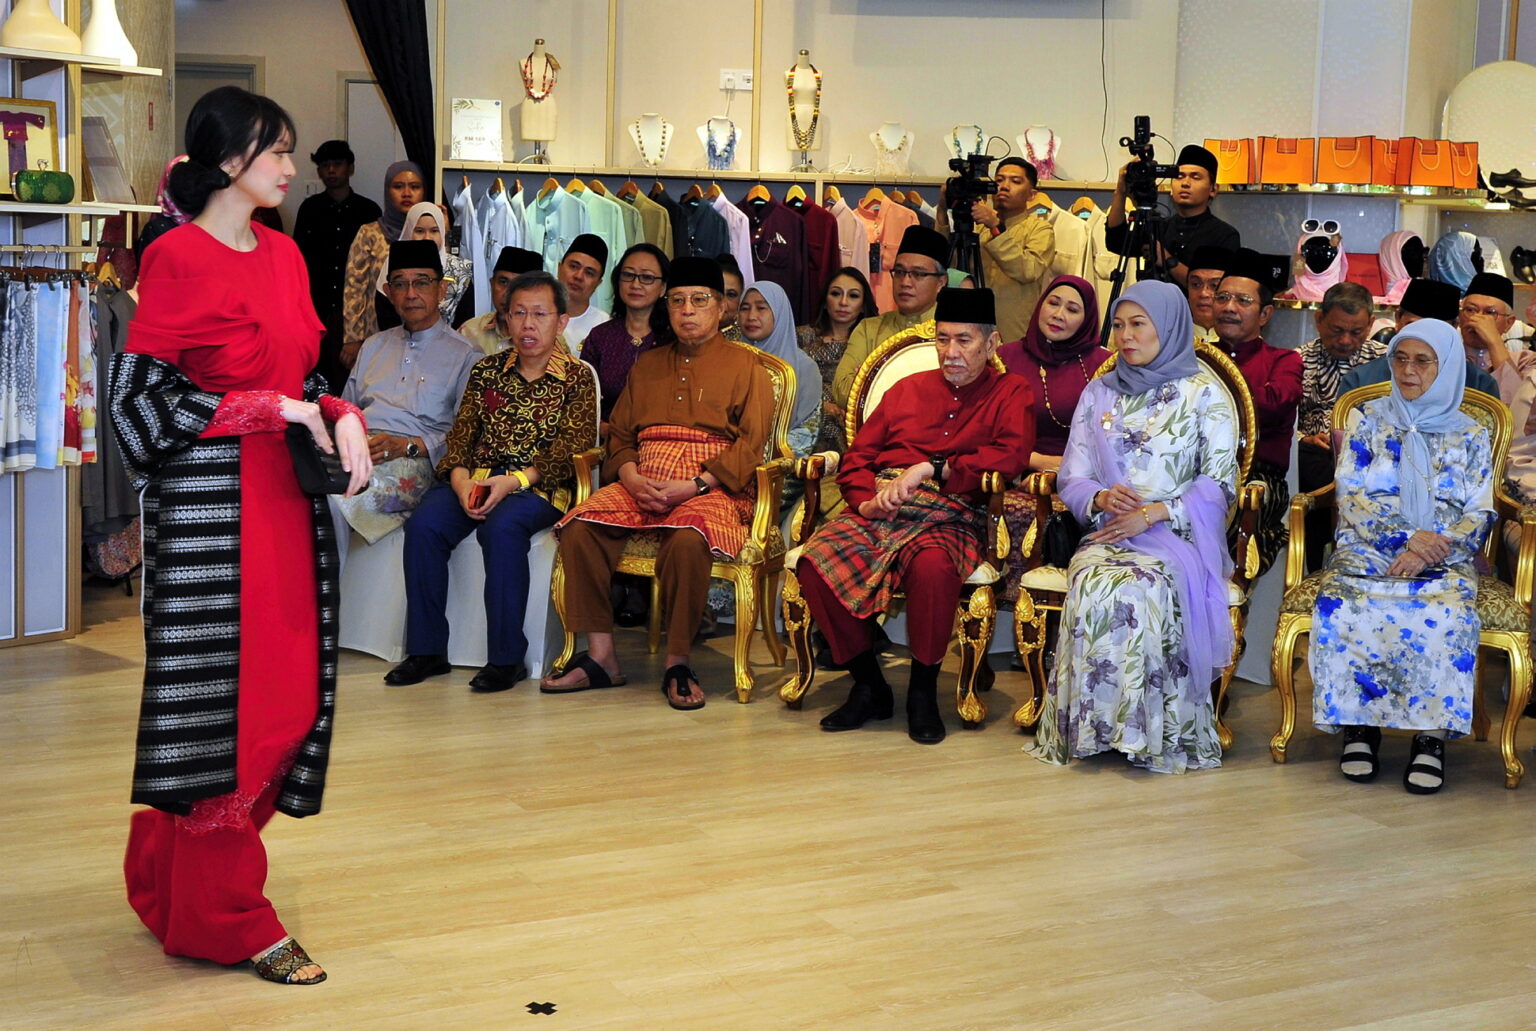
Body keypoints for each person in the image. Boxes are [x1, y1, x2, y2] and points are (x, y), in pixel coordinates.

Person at [109, 86, 371, 986]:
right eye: (279, 151)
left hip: (286, 502)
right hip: (210, 515)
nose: (294, 166)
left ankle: (167, 875)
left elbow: (306, 378)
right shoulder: (175, 256)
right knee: (227, 714)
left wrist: (340, 413)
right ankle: (229, 916)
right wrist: (270, 408)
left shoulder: (287, 254)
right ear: (230, 161)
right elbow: (139, 406)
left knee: (288, 701)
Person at [796, 288, 1034, 744]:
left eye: (964, 340)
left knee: (932, 568)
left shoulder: (1011, 392)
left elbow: (1010, 458)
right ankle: (869, 684)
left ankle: (922, 692)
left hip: (952, 512)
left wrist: (933, 468)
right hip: (883, 506)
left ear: (991, 343)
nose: (951, 352)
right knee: (815, 561)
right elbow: (858, 458)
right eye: (943, 339)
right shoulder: (906, 389)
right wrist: (866, 501)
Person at [541, 257, 774, 710]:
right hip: (644, 476)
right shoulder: (647, 365)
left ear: (721, 307)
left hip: (709, 483)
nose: (687, 310)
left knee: (687, 539)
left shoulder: (747, 366)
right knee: (581, 528)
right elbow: (621, 436)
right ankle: (602, 657)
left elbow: (752, 445)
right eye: (678, 301)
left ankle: (678, 662)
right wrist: (629, 475)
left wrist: (696, 485)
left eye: (699, 300)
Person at [1028, 280, 1238, 773]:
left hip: (1179, 535)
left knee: (1140, 588)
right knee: (1092, 582)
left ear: (1168, 327)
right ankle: (1095, 729)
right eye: (1119, 325)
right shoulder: (1099, 392)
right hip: (1108, 532)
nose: (1125, 336)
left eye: (1138, 324)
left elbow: (1219, 484)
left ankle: (1148, 733)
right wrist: (1100, 497)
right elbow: (1072, 475)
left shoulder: (1204, 394)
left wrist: (1156, 512)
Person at [387, 270, 599, 694]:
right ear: (506, 318)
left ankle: (506, 658)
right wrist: (461, 482)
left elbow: (570, 449)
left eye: (540, 314)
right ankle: (427, 651)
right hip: (477, 480)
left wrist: (513, 482)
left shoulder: (577, 378)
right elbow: (461, 435)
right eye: (518, 313)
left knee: (502, 529)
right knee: (424, 525)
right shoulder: (486, 371)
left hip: (539, 487)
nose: (528, 325)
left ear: (561, 321)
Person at [1309, 320, 1494, 794]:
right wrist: (1406, 540)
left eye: (1423, 361)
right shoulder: (1368, 419)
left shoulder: (1471, 434)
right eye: (1400, 358)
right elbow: (1351, 495)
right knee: (1344, 603)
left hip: (1444, 554)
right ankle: (1359, 727)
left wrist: (1434, 548)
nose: (1408, 370)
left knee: (1448, 613)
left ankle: (1431, 737)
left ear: (1446, 366)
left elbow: (1480, 510)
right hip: (1371, 545)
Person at [335, 240, 482, 551]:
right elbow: (346, 410)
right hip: (360, 451)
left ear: (442, 290)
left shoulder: (466, 355)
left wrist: (408, 446)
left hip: (416, 460)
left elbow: (466, 434)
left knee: (336, 499)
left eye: (422, 282)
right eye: (400, 284)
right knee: (299, 490)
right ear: (389, 293)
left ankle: (332, 583)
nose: (411, 293)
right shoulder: (373, 345)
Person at [996, 274, 1112, 602]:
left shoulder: (1103, 366)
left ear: (1087, 319)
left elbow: (1112, 436)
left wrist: (1071, 469)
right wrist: (1036, 461)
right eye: (1053, 303)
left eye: (1072, 309)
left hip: (1084, 479)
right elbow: (989, 429)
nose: (1059, 314)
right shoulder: (1005, 358)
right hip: (1015, 472)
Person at [1213, 248, 1302, 577]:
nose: (1229, 307)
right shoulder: (1196, 357)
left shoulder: (1284, 360)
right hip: (1198, 474)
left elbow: (1274, 405)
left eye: (1243, 300)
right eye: (1222, 298)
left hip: (1259, 481)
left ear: (1265, 314)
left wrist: (1209, 397)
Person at [1295, 282, 1386, 570]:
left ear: (1370, 324)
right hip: (1315, 456)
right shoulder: (1297, 360)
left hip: (1373, 458)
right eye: (1336, 330)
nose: (1346, 340)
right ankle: (1314, 567)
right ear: (1319, 319)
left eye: (1356, 332)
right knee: (1313, 463)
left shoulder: (1386, 361)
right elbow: (1282, 423)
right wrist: (1302, 438)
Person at [831, 226, 951, 418]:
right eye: (900, 272)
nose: (905, 282)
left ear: (941, 282)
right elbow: (842, 391)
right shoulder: (869, 329)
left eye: (918, 274)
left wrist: (871, 379)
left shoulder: (954, 332)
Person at [291, 139, 380, 392]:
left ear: (350, 168)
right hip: (315, 307)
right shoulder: (310, 209)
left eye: (337, 164)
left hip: (353, 311)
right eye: (324, 165)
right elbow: (298, 261)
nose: (331, 170)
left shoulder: (368, 210)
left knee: (352, 379)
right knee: (314, 375)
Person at [936, 157, 1056, 342]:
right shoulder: (977, 229)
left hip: (1014, 335)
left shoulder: (1039, 229)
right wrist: (942, 211)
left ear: (1032, 195)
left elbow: (1028, 270)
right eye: (999, 180)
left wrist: (995, 226)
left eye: (1015, 181)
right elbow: (945, 266)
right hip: (969, 332)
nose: (1004, 186)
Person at [1105, 144, 1240, 287]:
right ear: (1171, 187)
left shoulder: (1224, 235)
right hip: (1154, 301)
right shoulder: (1158, 226)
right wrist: (1120, 192)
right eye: (1179, 177)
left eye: (1195, 177)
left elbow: (1214, 289)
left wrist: (1165, 258)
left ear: (1213, 189)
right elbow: (1116, 242)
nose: (1185, 183)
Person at [1345, 278, 1498, 396]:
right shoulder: (1360, 381)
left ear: (1454, 327)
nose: (1421, 340)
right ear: (1398, 318)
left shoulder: (1480, 385)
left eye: (1434, 331)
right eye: (1413, 327)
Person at [341, 159, 426, 368]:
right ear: (388, 191)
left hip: (423, 338)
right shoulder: (370, 233)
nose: (407, 193)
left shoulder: (429, 233)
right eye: (398, 186)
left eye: (414, 187)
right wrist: (353, 337)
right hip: (377, 335)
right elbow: (355, 288)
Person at [580, 243, 671, 428]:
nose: (635, 284)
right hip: (605, 436)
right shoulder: (600, 337)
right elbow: (581, 399)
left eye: (647, 277)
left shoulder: (672, 340)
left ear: (662, 288)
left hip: (659, 437)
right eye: (628, 275)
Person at [738, 280, 821, 458]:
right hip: (728, 459)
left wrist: (753, 458)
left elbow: (807, 434)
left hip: (778, 464)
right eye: (744, 308)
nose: (751, 316)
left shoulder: (804, 368)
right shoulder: (732, 359)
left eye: (761, 308)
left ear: (780, 313)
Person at [798, 266, 876, 454]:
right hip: (804, 418)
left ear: (863, 305)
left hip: (854, 421)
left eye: (853, 296)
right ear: (825, 301)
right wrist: (820, 407)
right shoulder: (802, 337)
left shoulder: (872, 344)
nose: (843, 302)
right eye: (836, 293)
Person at [376, 201, 473, 331]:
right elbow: (386, 317)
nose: (427, 237)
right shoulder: (392, 267)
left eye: (434, 231)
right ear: (409, 231)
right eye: (419, 231)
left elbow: (466, 322)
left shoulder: (461, 270)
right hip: (399, 340)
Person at [457, 246, 545, 356]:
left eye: (519, 286)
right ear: (492, 284)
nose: (508, 293)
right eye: (503, 282)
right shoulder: (470, 331)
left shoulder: (547, 339)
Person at [1457, 271, 1519, 377]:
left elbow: (1513, 387)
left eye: (1490, 312)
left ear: (1509, 323)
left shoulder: (1525, 361)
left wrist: (1494, 341)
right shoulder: (1444, 358)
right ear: (1460, 316)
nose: (1477, 318)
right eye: (1470, 310)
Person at [556, 233, 610, 353]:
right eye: (573, 266)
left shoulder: (605, 327)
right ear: (559, 268)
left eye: (589, 273)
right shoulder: (535, 313)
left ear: (598, 283)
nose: (579, 276)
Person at [1184, 245, 1233, 346]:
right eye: (1196, 284)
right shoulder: (1171, 340)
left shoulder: (1247, 344)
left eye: (1214, 286)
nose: (1203, 293)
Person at [717, 253, 747, 342]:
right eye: (717, 293)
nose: (723, 303)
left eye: (731, 294)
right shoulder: (687, 337)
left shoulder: (748, 341)